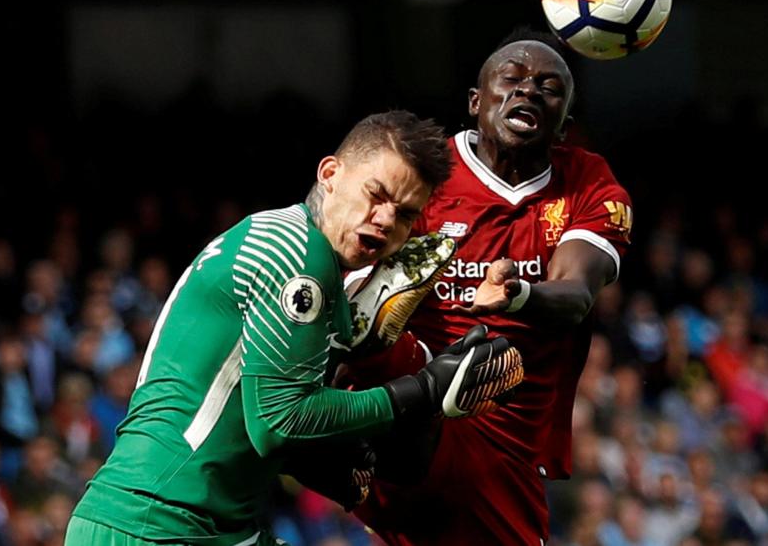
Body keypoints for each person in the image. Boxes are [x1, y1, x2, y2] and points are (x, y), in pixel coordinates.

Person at [65, 110, 523, 546]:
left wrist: (321, 461)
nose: (385, 220)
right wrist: (420, 391)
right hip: (158, 523)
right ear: (330, 174)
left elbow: (251, 416)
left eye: (404, 214)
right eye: (376, 195)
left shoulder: (294, 249)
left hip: (195, 523)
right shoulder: (297, 254)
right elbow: (280, 421)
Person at [352, 31, 634, 545]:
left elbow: (575, 293)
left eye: (549, 87)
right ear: (476, 101)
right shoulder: (424, 172)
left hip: (507, 445)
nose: (528, 91)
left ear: (563, 122)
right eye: (513, 78)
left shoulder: (588, 183)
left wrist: (517, 293)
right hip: (417, 403)